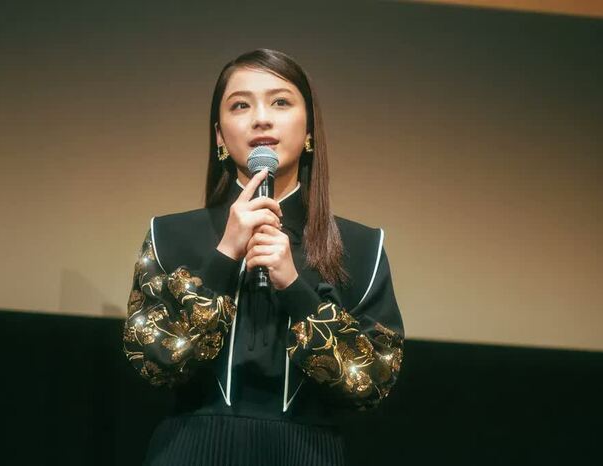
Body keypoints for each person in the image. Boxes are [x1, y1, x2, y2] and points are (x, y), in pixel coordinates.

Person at [122, 48, 404, 466]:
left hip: (307, 454)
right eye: (241, 105)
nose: (261, 119)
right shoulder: (168, 235)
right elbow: (152, 363)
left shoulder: (362, 247)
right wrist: (224, 256)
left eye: (280, 102)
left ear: (309, 130)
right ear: (220, 136)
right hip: (190, 450)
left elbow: (372, 381)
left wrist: (294, 287)